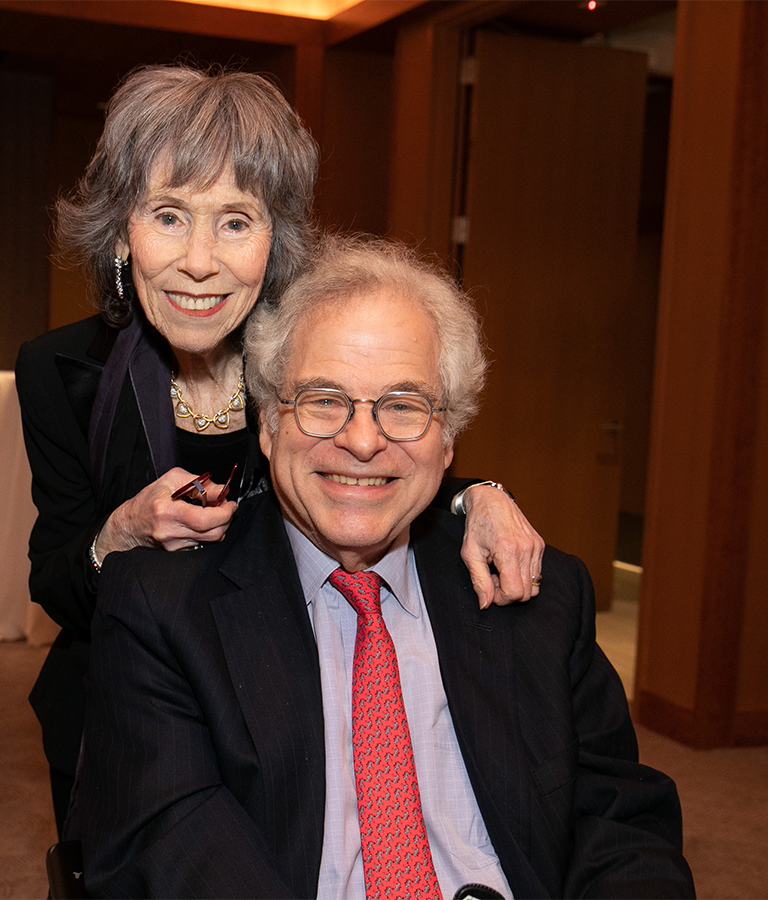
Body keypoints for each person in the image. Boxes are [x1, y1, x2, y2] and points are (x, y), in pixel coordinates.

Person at [69, 235, 695, 899]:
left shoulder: (539, 595)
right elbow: (174, 847)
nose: (362, 440)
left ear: (448, 436)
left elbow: (622, 828)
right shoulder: (163, 608)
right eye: (322, 398)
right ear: (268, 425)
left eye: (403, 405)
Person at [16, 65, 545, 837]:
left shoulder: (301, 365)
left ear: (276, 240)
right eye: (169, 216)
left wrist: (477, 494)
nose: (200, 261)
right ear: (122, 229)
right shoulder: (62, 374)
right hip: (121, 718)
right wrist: (117, 534)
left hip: (283, 713)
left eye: (235, 221)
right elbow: (54, 581)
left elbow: (380, 454)